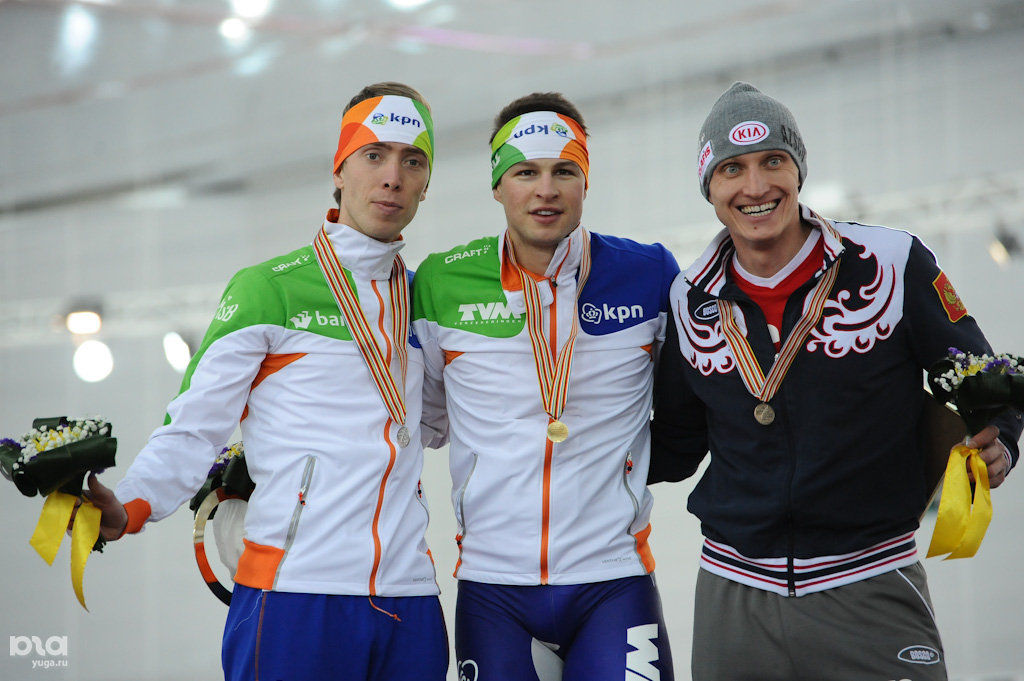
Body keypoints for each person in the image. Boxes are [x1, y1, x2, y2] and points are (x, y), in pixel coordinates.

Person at [650, 81, 1023, 681]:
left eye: (773, 161)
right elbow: (676, 444)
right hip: (734, 596)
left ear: (798, 170)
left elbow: (979, 376)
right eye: (731, 169)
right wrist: (562, 446)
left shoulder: (890, 261)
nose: (755, 186)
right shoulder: (687, 297)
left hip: (872, 585)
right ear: (709, 188)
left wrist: (1002, 434)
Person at [80, 82, 448, 681]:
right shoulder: (268, 289)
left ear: (426, 183)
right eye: (374, 155)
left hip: (410, 598)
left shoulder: (426, 300)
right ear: (339, 169)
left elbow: (447, 421)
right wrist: (131, 506)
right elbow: (194, 427)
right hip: (295, 591)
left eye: (413, 161)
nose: (392, 178)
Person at [412, 92, 679, 681]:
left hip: (614, 581)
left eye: (564, 171)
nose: (546, 190)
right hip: (494, 589)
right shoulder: (439, 284)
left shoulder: (650, 272)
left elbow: (693, 400)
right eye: (525, 172)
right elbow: (411, 418)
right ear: (497, 184)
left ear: (586, 181)